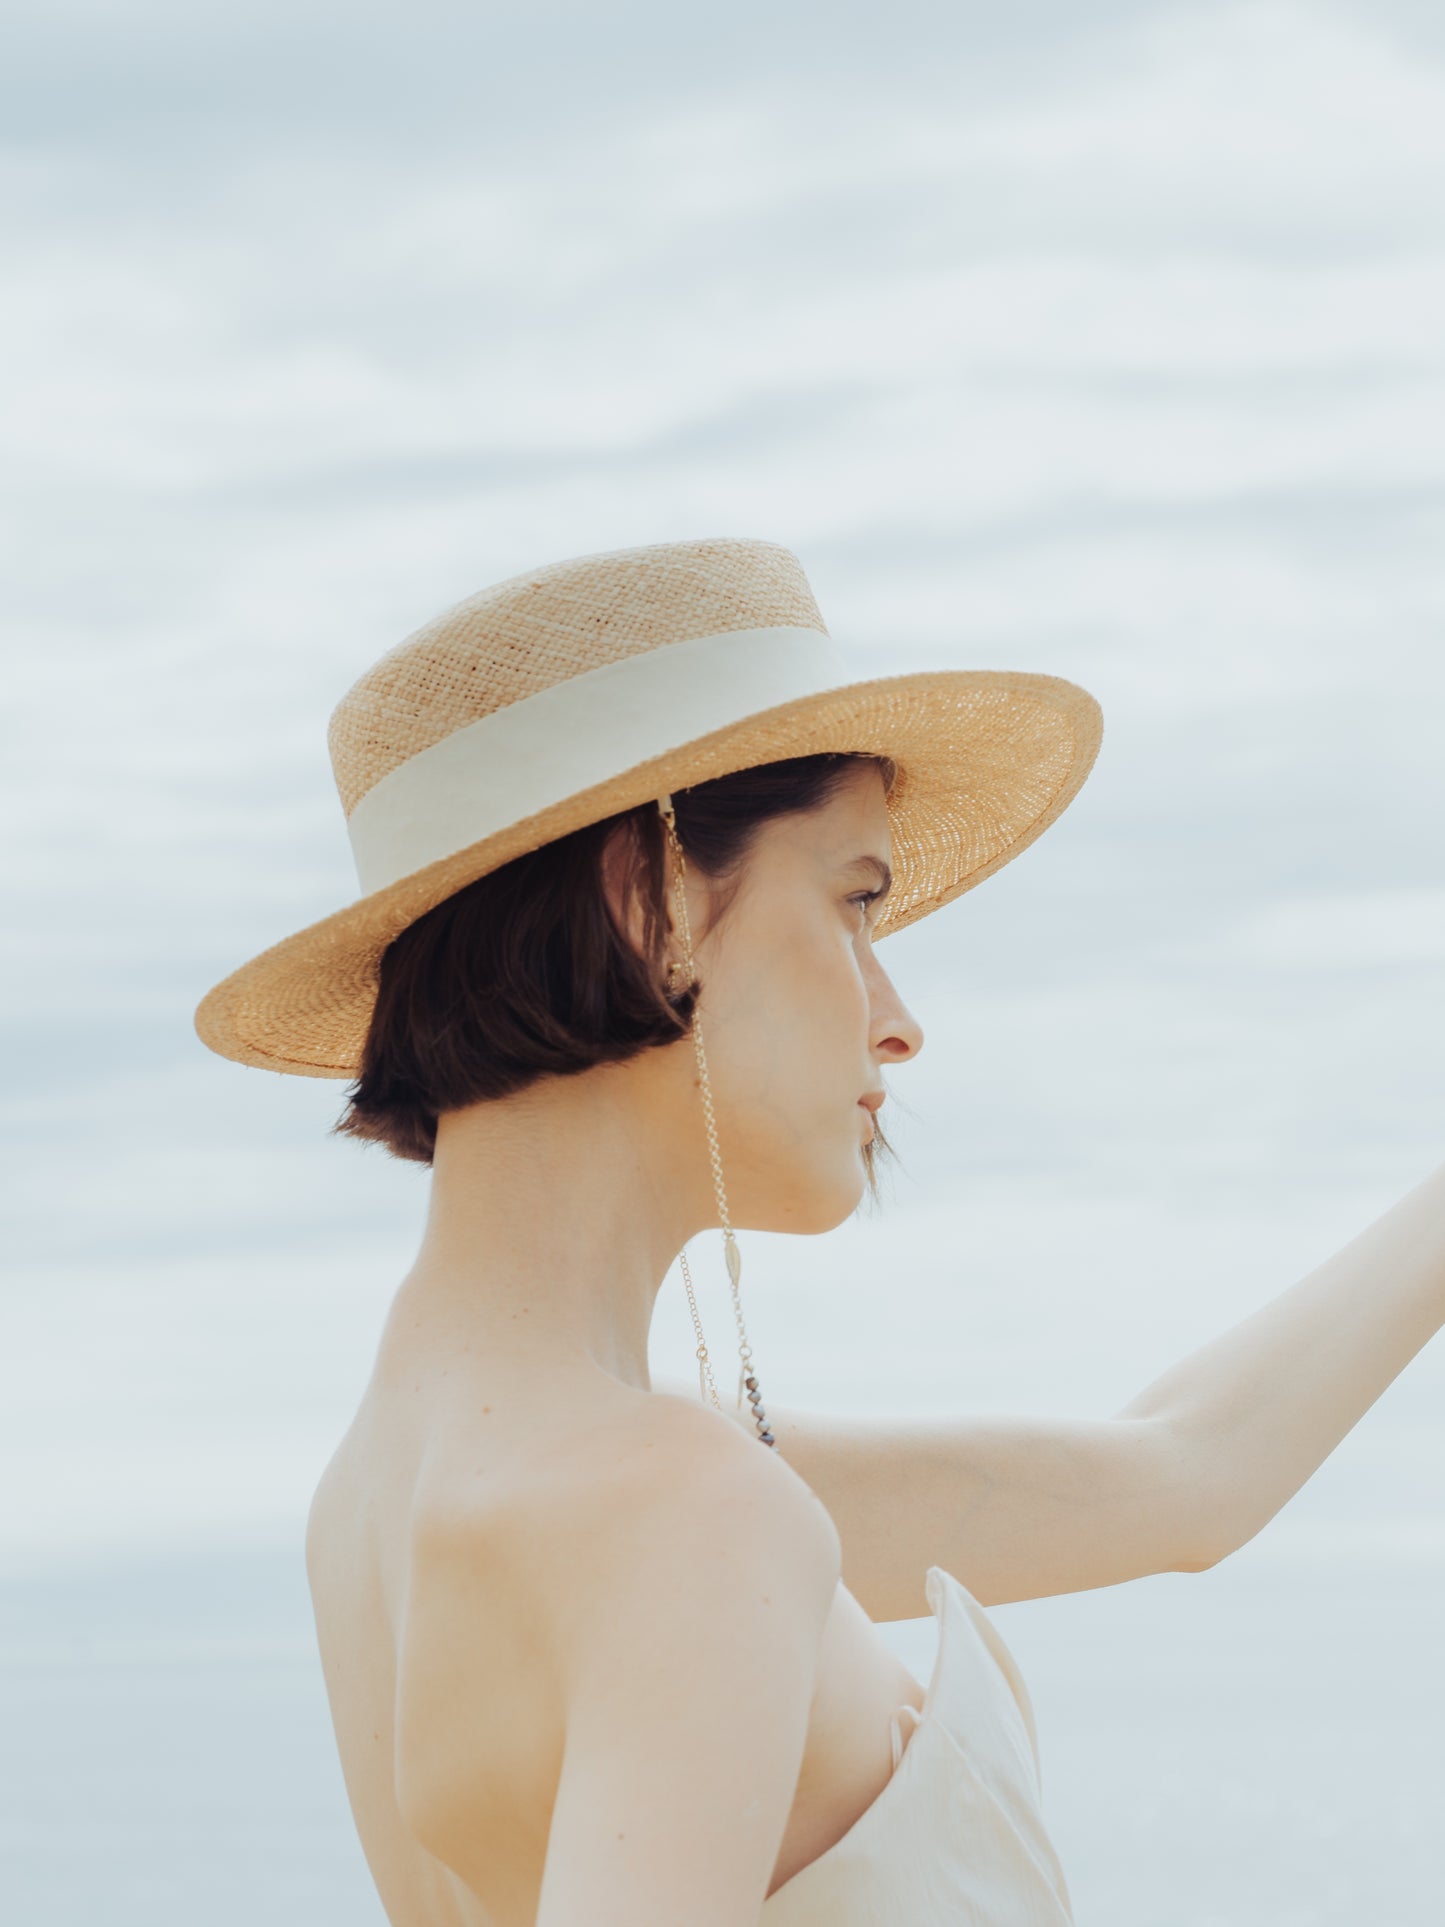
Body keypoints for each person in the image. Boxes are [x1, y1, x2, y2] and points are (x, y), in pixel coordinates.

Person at [195, 536, 1445, 1926]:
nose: (895, 1015)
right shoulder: (678, 1512)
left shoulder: (394, 1493)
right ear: (650, 899)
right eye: (856, 902)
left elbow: (1181, 1481)